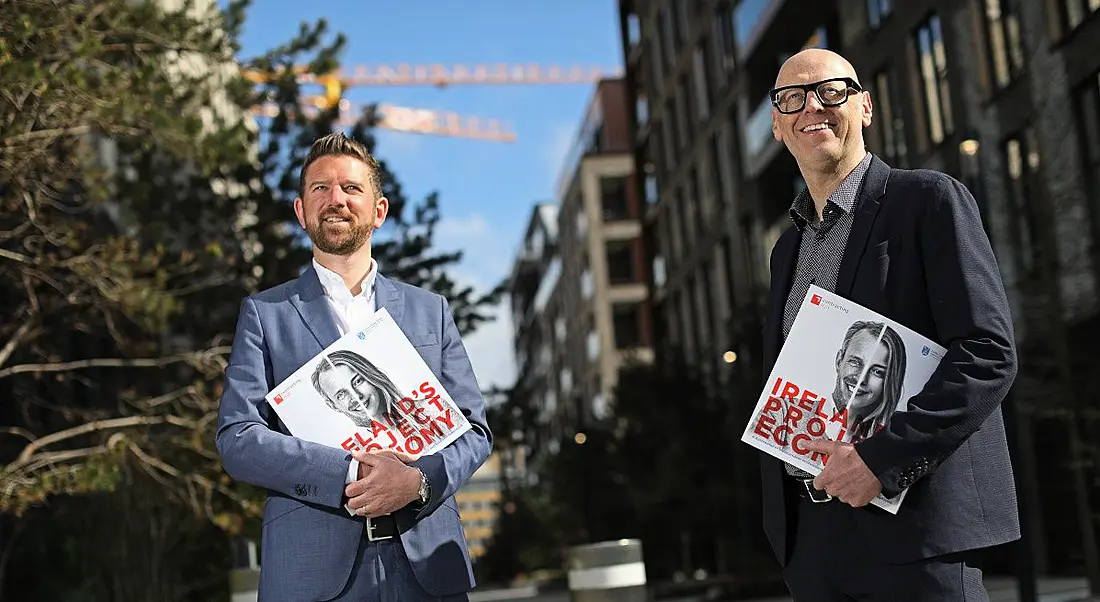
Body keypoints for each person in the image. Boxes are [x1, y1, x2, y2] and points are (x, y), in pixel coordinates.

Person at [758, 48, 1019, 600]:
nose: (813, 108)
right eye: (792, 99)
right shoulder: (787, 249)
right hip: (814, 545)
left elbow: (987, 352)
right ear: (779, 127)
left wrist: (881, 459)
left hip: (914, 532)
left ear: (865, 107)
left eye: (832, 91)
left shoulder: (927, 200)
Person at [216, 131, 492, 601]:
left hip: (425, 567)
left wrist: (418, 480)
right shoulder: (265, 314)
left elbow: (474, 431)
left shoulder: (432, 311)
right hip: (312, 572)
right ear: (302, 212)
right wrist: (347, 473)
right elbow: (236, 437)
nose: (335, 199)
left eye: (351, 188)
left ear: (378, 211)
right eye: (320, 188)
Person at [830, 320, 906, 443]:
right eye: (855, 362)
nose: (861, 379)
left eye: (877, 371)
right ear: (839, 361)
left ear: (890, 382)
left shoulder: (892, 442)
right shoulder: (788, 410)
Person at [313, 349, 404, 428]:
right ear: (333, 405)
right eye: (341, 395)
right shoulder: (356, 447)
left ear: (371, 375)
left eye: (357, 381)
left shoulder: (417, 410)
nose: (356, 396)